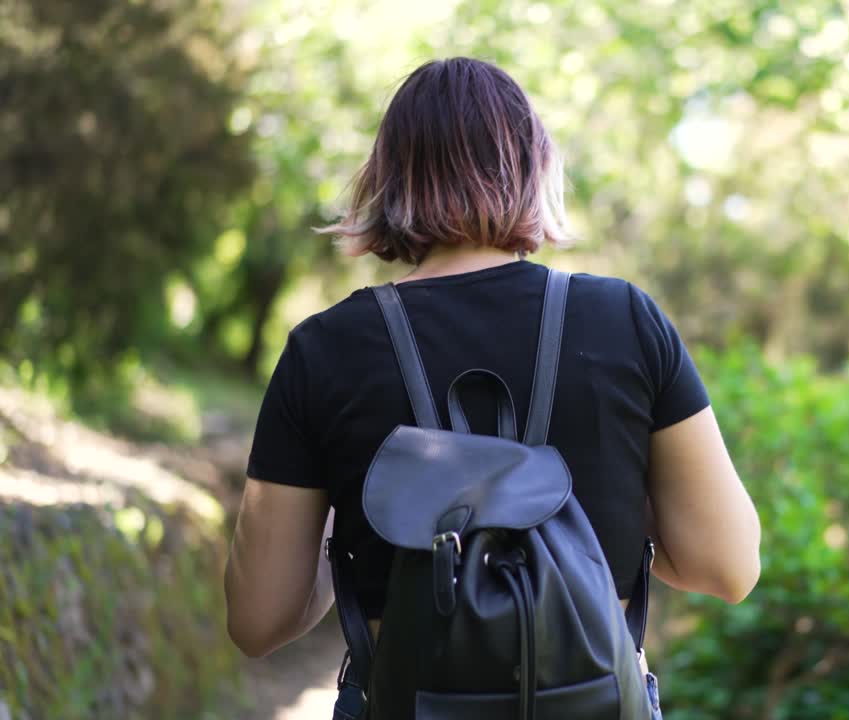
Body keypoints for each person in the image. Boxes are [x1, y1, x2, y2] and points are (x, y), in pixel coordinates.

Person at [223, 57, 761, 683]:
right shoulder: (626, 323)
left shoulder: (324, 349)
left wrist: (349, 504)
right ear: (534, 170)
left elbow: (259, 619)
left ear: (389, 180)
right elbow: (726, 567)